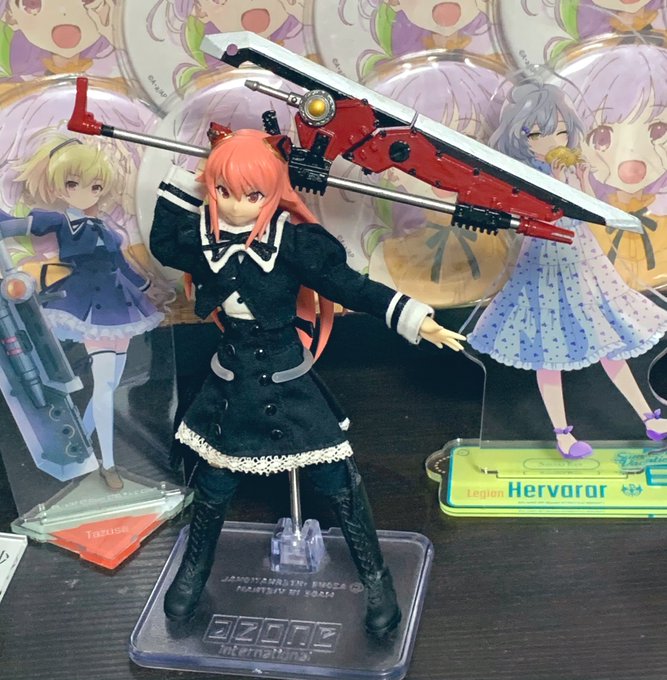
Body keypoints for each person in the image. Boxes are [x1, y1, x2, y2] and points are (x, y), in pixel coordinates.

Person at [150, 126, 465, 635]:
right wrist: (192, 175)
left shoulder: (294, 243)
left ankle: (377, 580)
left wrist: (415, 318)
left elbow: (351, 286)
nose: (235, 206)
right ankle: (193, 572)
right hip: (232, 382)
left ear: (273, 193)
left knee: (338, 481)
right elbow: (164, 243)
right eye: (223, 191)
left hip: (288, 381)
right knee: (213, 482)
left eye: (252, 195)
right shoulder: (202, 241)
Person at [466, 81, 667, 458]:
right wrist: (558, 182)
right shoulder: (521, 175)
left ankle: (648, 417)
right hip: (543, 264)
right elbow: (535, 216)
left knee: (610, 341)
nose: (552, 141)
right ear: (520, 136)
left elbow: (589, 210)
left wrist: (582, 179)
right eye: (537, 134)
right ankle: (562, 435)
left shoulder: (568, 165)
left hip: (583, 260)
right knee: (548, 351)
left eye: (560, 132)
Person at [13, 134, 164, 489]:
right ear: (59, 186)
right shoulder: (58, 222)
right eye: (73, 184)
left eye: (95, 186)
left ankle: (80, 445)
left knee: (109, 386)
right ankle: (107, 464)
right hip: (88, 307)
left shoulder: (104, 227)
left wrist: (149, 288)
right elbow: (12, 224)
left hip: (120, 305)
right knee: (105, 388)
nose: (86, 193)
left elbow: (122, 265)